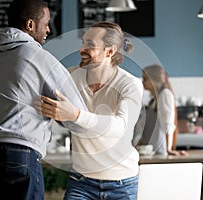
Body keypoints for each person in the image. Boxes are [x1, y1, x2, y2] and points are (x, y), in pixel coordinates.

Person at [0, 0, 87, 199]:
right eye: (46, 23)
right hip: (20, 154)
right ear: (30, 25)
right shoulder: (38, 57)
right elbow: (76, 113)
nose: (49, 30)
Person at [36, 21, 143, 199]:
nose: (81, 49)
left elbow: (120, 127)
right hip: (81, 182)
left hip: (122, 184)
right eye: (83, 42)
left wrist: (76, 115)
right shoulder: (69, 76)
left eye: (90, 44)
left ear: (110, 51)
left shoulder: (130, 84)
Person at [133, 64, 187, 156]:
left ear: (154, 79)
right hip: (151, 150)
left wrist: (169, 149)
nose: (143, 82)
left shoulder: (165, 94)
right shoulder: (154, 99)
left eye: (145, 79)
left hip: (160, 150)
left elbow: (168, 123)